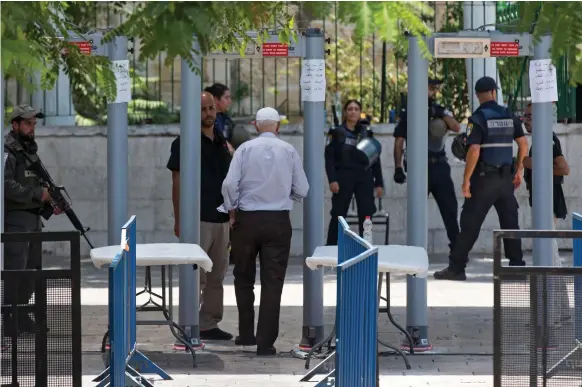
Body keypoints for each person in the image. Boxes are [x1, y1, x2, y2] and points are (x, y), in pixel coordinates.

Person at [221, 107, 309, 355]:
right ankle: (265, 342)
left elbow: (229, 183)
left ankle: (246, 333)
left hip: (246, 221)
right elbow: (302, 189)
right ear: (278, 126)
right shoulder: (289, 151)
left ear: (255, 125)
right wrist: (285, 193)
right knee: (273, 282)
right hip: (278, 222)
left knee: (243, 276)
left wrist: (232, 209)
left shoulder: (244, 150)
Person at [434, 76, 529, 281]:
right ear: (494, 92)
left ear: (477, 95)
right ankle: (516, 268)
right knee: (510, 223)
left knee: (469, 224)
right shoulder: (509, 115)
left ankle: (456, 268)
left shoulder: (477, 118)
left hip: (484, 180)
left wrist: (466, 179)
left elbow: (474, 150)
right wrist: (518, 170)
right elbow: (523, 145)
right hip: (506, 180)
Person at [167, 92, 233, 343]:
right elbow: (177, 181)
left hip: (222, 218)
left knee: (216, 275)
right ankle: (189, 323)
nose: (208, 113)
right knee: (195, 274)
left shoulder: (221, 142)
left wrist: (233, 212)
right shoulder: (184, 142)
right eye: (203, 109)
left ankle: (208, 324)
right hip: (198, 219)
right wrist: (179, 218)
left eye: (211, 108)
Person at [3, 104, 59, 335]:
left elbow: (35, 182)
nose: (32, 128)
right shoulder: (8, 151)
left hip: (33, 222)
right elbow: (5, 186)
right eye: (28, 123)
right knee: (16, 274)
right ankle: (10, 321)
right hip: (16, 223)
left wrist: (50, 201)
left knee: (31, 273)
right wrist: (38, 195)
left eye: (34, 124)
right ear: (15, 124)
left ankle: (23, 315)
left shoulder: (28, 151)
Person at [393, 79, 461, 257]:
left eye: (433, 89)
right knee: (416, 211)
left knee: (450, 210)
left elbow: (456, 126)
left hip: (439, 166)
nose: (433, 92)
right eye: (430, 88)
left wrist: (439, 113)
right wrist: (398, 167)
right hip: (418, 168)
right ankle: (414, 250)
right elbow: (399, 141)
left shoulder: (439, 110)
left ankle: (458, 251)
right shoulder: (409, 113)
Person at [522, 102, 571, 323]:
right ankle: (559, 311)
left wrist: (534, 164)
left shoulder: (548, 139)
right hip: (544, 204)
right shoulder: (542, 139)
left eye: (530, 116)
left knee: (549, 259)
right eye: (525, 116)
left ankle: (551, 313)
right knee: (552, 259)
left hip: (549, 206)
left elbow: (564, 168)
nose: (526, 120)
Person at [325, 99, 384, 245]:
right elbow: (329, 158)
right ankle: (332, 247)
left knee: (366, 214)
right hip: (343, 177)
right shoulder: (337, 133)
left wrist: (379, 183)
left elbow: (375, 159)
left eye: (356, 109)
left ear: (360, 112)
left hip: (364, 177)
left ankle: (366, 246)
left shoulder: (366, 133)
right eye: (350, 109)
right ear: (345, 112)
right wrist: (332, 179)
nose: (353, 112)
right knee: (339, 214)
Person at [204, 83, 235, 154]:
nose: (229, 101)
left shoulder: (226, 118)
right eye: (226, 98)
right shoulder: (207, 119)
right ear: (215, 99)